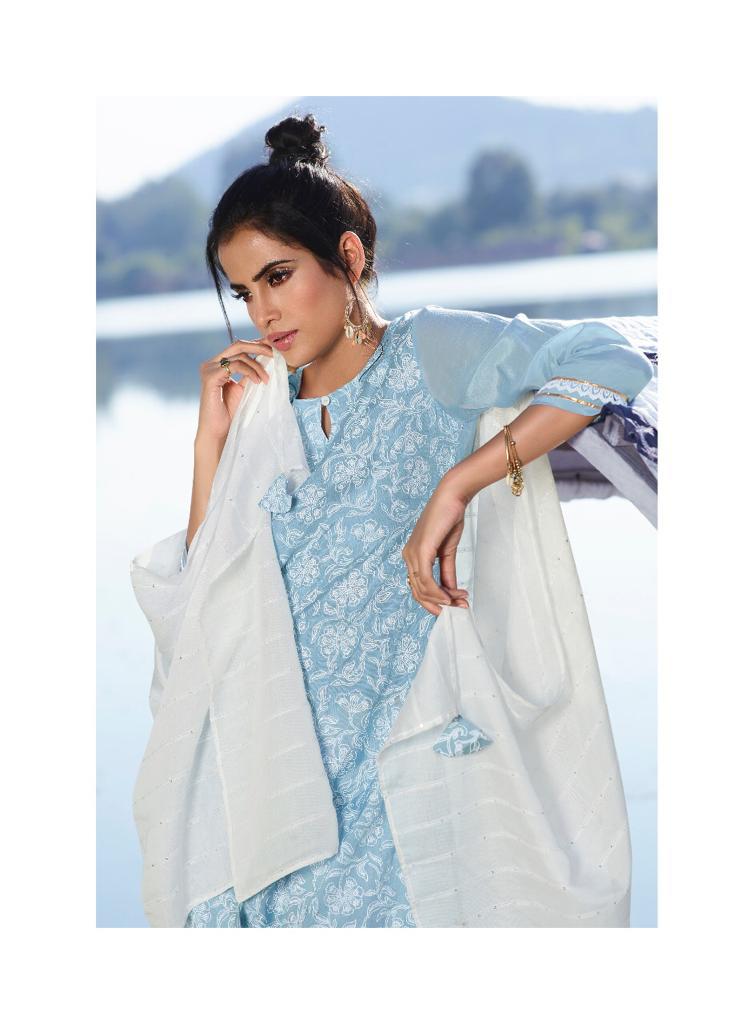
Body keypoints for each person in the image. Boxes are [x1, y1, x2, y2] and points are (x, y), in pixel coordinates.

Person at [135, 113, 653, 928]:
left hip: (400, 784)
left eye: (278, 276)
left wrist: (462, 483)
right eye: (244, 292)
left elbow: (608, 360)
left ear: (348, 257)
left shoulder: (429, 352)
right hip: (280, 793)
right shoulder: (265, 408)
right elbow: (203, 610)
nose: (263, 312)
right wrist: (212, 443)